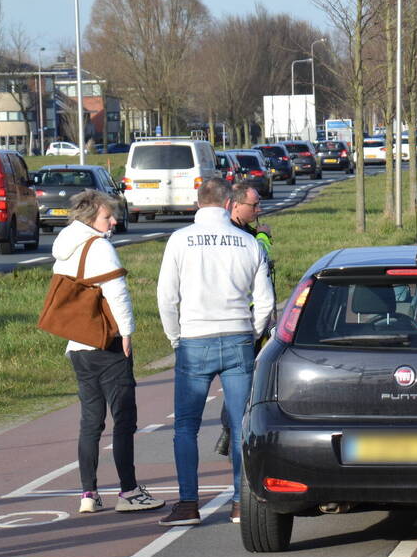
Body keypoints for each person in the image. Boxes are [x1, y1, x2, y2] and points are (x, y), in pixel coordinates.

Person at [157, 178, 275, 526]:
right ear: (227, 204)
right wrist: (252, 332)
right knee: (242, 426)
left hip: (194, 338)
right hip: (238, 336)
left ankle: (188, 503)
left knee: (186, 427)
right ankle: (240, 502)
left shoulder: (180, 240)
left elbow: (167, 297)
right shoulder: (248, 242)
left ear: (197, 203)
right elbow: (265, 301)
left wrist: (176, 337)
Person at [51, 189, 164, 514]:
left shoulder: (65, 247)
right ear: (90, 218)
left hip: (78, 344)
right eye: (106, 216)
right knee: (124, 418)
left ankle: (88, 493)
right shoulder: (99, 247)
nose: (113, 221)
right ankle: (129, 492)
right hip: (107, 342)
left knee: (90, 421)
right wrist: (126, 332)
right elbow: (117, 293)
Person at [212, 184, 275, 456]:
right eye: (254, 205)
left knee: (242, 380)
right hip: (242, 319)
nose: (258, 209)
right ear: (235, 205)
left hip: (247, 317)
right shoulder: (240, 237)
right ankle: (232, 432)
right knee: (242, 380)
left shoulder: (244, 231)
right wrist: (264, 238)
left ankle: (231, 431)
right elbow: (260, 259)